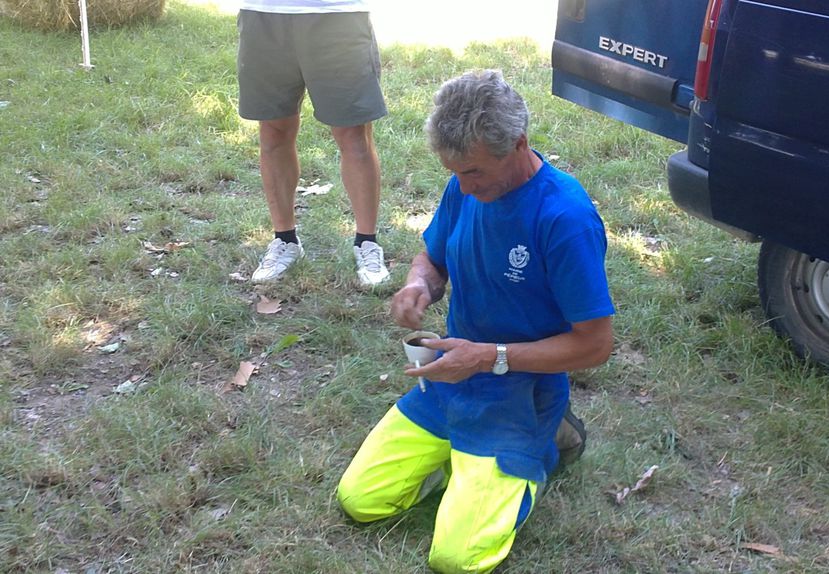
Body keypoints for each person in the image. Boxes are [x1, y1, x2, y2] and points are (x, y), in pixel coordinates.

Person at [336, 70, 615, 573]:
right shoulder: (462, 186)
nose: (463, 185)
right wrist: (419, 284)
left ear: (519, 144)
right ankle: (465, 462)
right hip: (449, 382)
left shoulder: (564, 217)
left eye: (475, 173)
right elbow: (433, 256)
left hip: (519, 393)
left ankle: (541, 447)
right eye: (455, 172)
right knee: (361, 500)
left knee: (457, 559)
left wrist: (490, 358)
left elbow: (595, 345)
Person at [236, 0, 390, 286]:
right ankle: (285, 240)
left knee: (354, 136)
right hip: (265, 14)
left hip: (337, 16)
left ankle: (367, 243)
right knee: (273, 131)